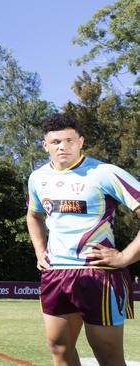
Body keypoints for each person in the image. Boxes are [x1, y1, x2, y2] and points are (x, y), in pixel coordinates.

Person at [26, 113, 140, 365]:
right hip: (55, 272)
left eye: (69, 140)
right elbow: (33, 215)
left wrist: (124, 257)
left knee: (107, 354)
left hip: (97, 273)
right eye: (55, 142)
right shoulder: (37, 178)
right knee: (59, 348)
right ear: (45, 145)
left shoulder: (104, 173)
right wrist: (39, 251)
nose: (62, 146)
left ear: (81, 142)